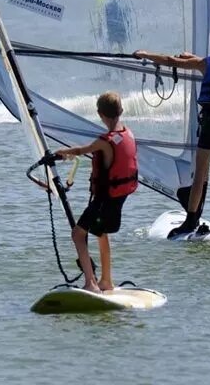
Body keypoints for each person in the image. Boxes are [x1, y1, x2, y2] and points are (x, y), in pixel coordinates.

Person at [134, 25, 210, 238]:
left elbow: (172, 61)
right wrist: (195, 58)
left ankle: (191, 220)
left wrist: (146, 54)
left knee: (201, 171)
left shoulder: (204, 63)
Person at [54, 91, 138, 293]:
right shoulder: (128, 133)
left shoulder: (105, 141)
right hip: (119, 197)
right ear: (121, 111)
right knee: (100, 233)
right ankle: (106, 280)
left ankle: (90, 283)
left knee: (77, 234)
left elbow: (81, 151)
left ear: (100, 114)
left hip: (104, 198)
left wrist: (60, 153)